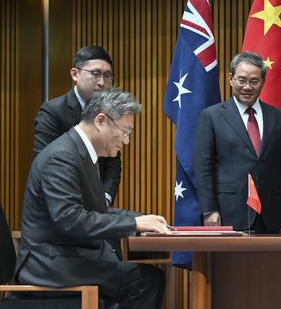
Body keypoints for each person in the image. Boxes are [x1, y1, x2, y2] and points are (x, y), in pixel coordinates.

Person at [15, 88, 169, 309]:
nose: (126, 141)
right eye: (125, 131)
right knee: (147, 281)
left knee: (142, 276)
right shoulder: (62, 157)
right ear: (100, 121)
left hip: (69, 257)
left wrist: (143, 219)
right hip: (50, 263)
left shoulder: (81, 153)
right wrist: (133, 223)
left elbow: (96, 210)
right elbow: (70, 220)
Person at [194, 51, 281, 234]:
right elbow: (203, 167)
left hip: (271, 214)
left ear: (263, 82)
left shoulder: (279, 117)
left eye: (254, 81)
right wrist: (210, 209)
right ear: (231, 79)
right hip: (229, 212)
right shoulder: (212, 116)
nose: (247, 87)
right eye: (241, 80)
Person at [33, 45, 121, 206]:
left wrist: (105, 199)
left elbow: (112, 164)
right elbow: (46, 164)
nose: (102, 82)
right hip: (62, 204)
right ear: (75, 74)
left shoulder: (109, 113)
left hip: (99, 209)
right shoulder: (52, 111)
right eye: (95, 74)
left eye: (107, 75)